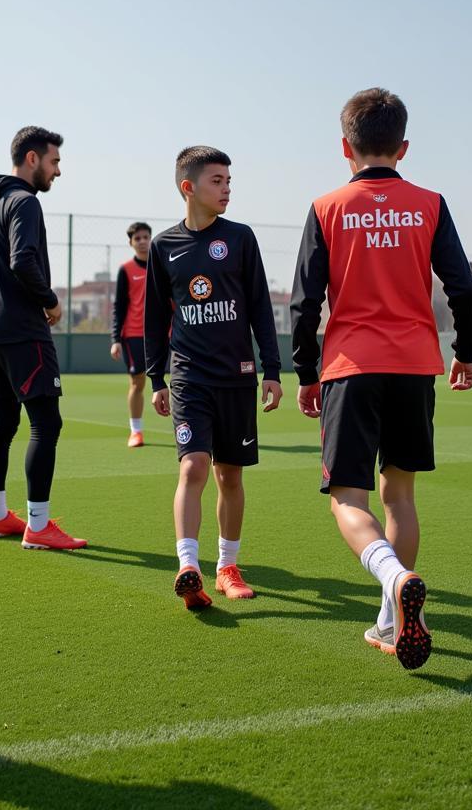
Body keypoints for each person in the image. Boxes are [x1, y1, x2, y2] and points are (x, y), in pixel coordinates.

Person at [291, 88, 472, 670]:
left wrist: (305, 370)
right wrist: (466, 351)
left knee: (349, 497)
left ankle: (394, 581)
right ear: (402, 146)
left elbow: (304, 302)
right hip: (414, 365)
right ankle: (391, 618)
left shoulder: (327, 206)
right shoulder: (430, 203)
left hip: (351, 366)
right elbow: (464, 286)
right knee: (399, 494)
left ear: (345, 147)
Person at [145, 146, 282, 609]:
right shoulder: (164, 246)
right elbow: (152, 319)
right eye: (217, 181)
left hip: (238, 376)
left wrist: (272, 370)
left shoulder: (241, 239)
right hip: (189, 376)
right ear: (189, 187)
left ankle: (227, 565)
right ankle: (189, 565)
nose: (227, 188)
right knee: (193, 465)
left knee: (229, 476)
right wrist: (156, 379)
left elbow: (261, 307)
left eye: (228, 180)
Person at [0, 127, 87, 552]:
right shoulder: (24, 203)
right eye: (54, 162)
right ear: (33, 159)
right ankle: (38, 525)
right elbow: (22, 261)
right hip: (22, 332)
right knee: (46, 423)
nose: (58, 171)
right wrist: (51, 301)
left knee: (2, 423)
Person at [110, 221, 152, 448]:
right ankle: (136, 431)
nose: (143, 241)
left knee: (181, 381)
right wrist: (115, 339)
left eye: (146, 237)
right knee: (138, 382)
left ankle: (186, 431)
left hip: (164, 335)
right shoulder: (125, 270)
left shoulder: (162, 265)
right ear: (131, 243)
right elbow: (119, 306)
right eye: (138, 238)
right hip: (133, 335)